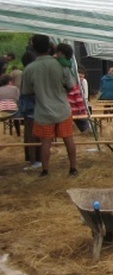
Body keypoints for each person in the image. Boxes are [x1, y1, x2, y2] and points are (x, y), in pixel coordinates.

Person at [20, 34, 78, 178]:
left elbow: (26, 91)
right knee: (68, 138)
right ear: (49, 46)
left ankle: (45, 171)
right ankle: (73, 168)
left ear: (33, 48)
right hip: (62, 109)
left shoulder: (30, 68)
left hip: (43, 111)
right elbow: (71, 86)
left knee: (45, 142)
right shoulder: (61, 64)